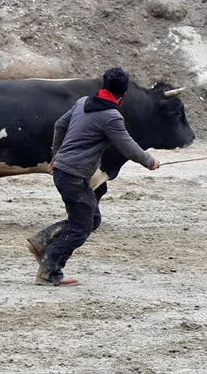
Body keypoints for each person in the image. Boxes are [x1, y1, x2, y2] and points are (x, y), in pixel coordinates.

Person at [34, 67, 159, 287]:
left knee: (91, 219)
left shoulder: (83, 102)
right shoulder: (111, 117)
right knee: (81, 226)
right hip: (73, 175)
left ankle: (43, 240)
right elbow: (128, 146)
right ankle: (49, 270)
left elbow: (59, 125)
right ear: (124, 94)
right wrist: (150, 162)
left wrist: (57, 154)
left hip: (66, 172)